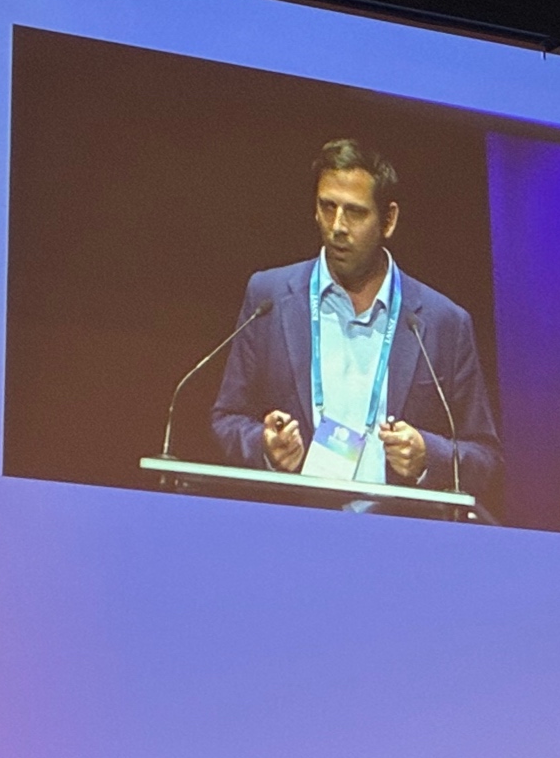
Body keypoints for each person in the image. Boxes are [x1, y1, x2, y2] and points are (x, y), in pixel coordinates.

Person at [209, 140, 501, 505]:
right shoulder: (269, 298)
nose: (337, 227)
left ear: (388, 220)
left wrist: (429, 455)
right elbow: (226, 419)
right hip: (295, 526)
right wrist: (265, 446)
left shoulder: (443, 322)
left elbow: (486, 457)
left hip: (396, 533)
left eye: (355, 212)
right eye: (327, 207)